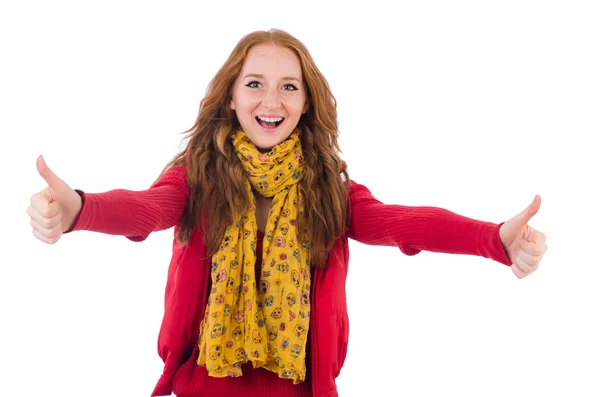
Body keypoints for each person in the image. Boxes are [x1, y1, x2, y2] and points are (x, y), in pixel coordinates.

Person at [26, 29, 548, 397]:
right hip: (204, 384)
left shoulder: (329, 188)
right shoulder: (197, 174)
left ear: (304, 104)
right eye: (254, 83)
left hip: (304, 390)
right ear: (231, 97)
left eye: (288, 86)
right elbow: (145, 210)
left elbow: (400, 223)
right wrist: (80, 209)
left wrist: (494, 239)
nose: (270, 99)